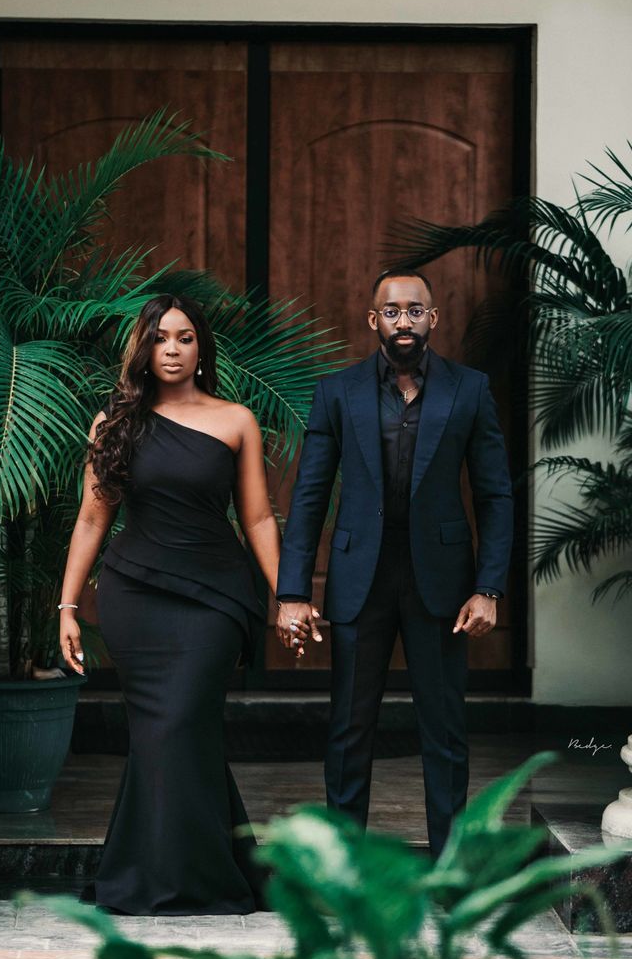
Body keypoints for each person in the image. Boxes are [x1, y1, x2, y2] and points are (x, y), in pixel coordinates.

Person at [58, 293, 298, 915]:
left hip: (214, 598)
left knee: (182, 723)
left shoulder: (236, 419)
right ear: (143, 346)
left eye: (185, 337)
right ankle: (177, 874)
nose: (172, 348)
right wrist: (66, 606)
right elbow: (91, 519)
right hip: (135, 596)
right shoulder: (114, 422)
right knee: (162, 738)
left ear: (201, 348)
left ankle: (186, 876)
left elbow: (257, 520)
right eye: (161, 337)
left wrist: (288, 595)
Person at [275, 269, 514, 859]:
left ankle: (450, 867)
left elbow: (495, 495)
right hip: (362, 581)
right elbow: (309, 495)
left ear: (433, 318)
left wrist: (489, 587)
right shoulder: (338, 391)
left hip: (445, 585)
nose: (402, 320)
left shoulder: (470, 389)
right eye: (391, 310)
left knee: (445, 732)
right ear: (372, 320)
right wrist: (292, 592)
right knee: (350, 730)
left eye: (414, 310)